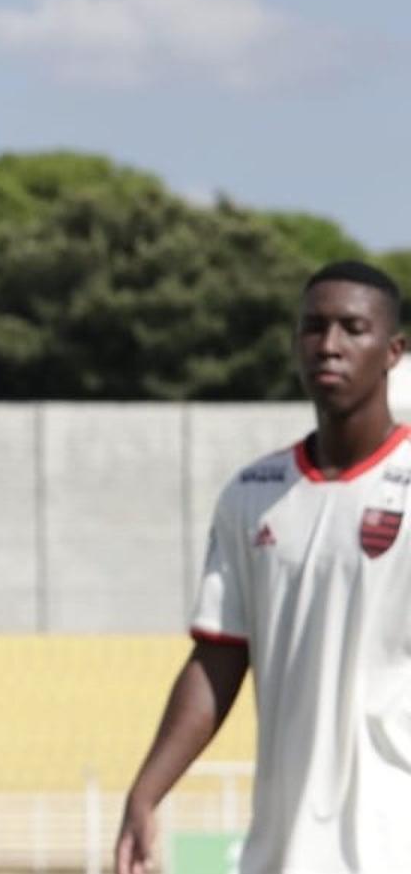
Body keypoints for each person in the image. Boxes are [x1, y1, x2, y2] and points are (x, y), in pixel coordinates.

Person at [116, 262, 411, 874]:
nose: (328, 345)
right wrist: (147, 790)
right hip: (281, 847)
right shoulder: (251, 494)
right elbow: (219, 657)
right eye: (313, 327)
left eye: (352, 328)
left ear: (393, 351)